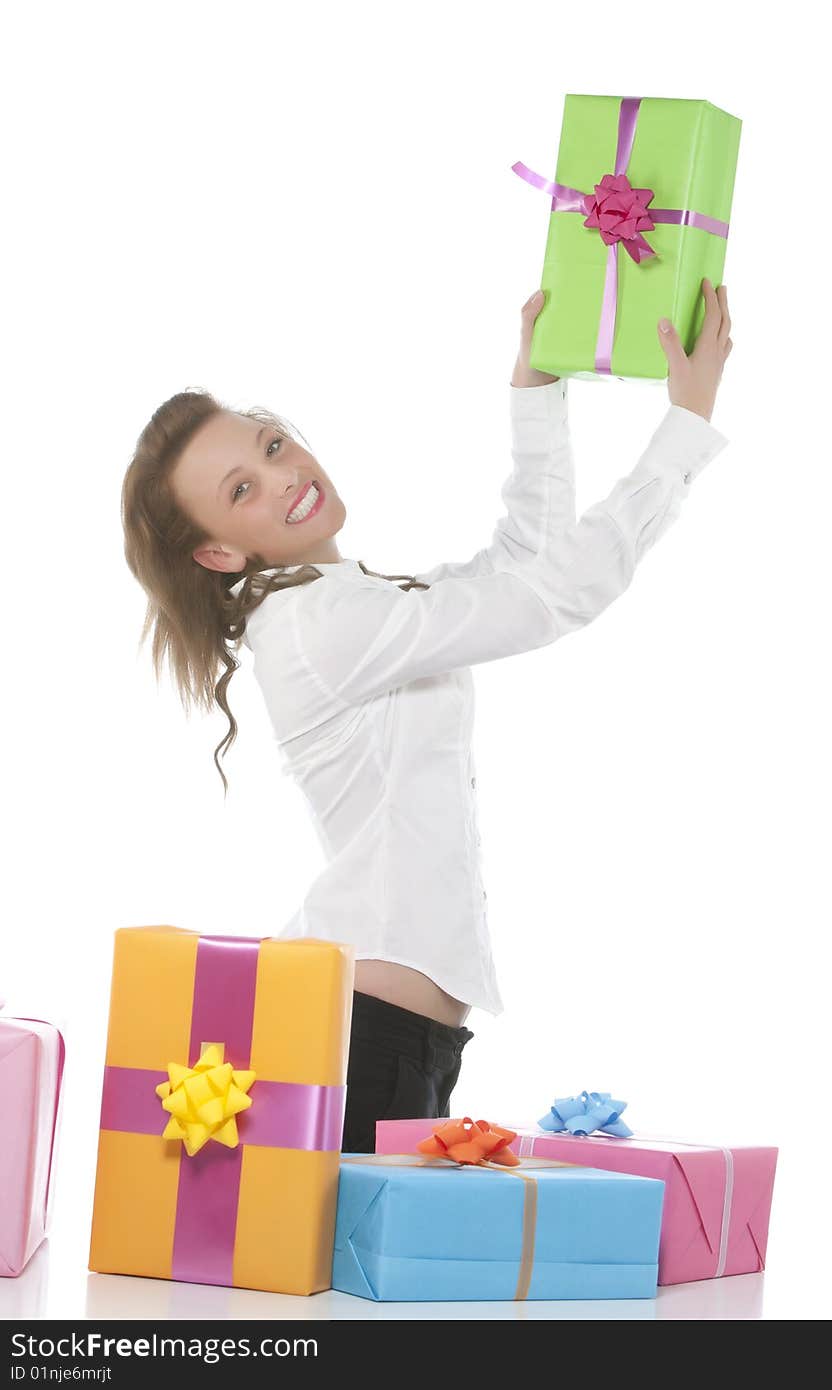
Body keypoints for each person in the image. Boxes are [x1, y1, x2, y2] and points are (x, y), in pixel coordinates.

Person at [121, 279, 732, 1151]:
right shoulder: (318, 625)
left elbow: (524, 564)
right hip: (365, 1035)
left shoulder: (352, 605)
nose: (288, 475)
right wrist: (684, 433)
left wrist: (536, 387)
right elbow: (550, 597)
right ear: (220, 551)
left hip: (389, 1031)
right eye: (244, 488)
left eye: (274, 444)